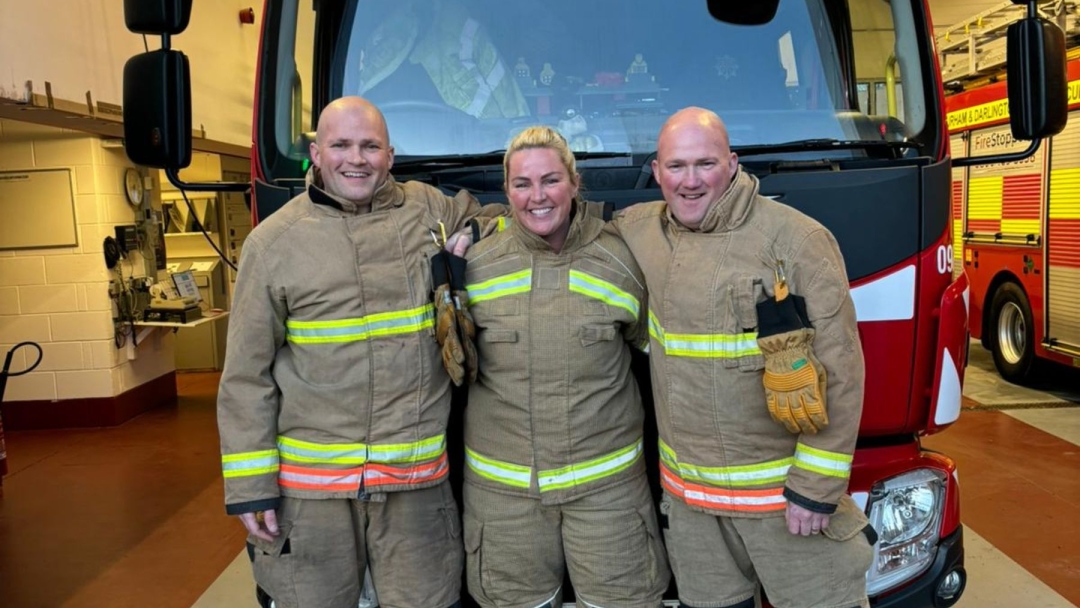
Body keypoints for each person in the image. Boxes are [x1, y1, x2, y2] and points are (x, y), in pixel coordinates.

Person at [217, 96, 483, 608]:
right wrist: (250, 486)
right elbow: (245, 377)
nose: (355, 159)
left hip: (415, 486)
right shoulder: (272, 244)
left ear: (391, 156)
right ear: (316, 154)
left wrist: (468, 237)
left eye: (369, 147)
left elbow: (489, 217)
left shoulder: (429, 210)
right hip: (312, 497)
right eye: (340, 145)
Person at [611, 107, 873, 608]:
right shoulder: (639, 231)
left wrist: (816, 488)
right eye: (676, 167)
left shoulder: (797, 241)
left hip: (784, 509)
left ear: (732, 164)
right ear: (656, 172)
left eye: (704, 164)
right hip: (694, 516)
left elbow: (842, 371)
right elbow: (559, 220)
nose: (689, 182)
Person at [460, 126, 670, 608]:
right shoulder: (474, 263)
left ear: (575, 184)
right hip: (505, 502)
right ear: (506, 190)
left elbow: (662, 356)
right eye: (522, 184)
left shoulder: (622, 260)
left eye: (551, 180)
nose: (537, 197)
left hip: (609, 497)